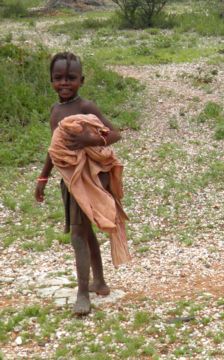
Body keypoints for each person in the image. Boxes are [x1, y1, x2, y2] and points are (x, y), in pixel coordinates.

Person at [34, 52, 130, 315]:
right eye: (58, 78)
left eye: (71, 78)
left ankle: (82, 293)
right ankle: (98, 281)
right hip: (69, 179)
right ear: (51, 80)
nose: (64, 83)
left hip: (89, 178)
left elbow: (115, 134)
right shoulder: (56, 111)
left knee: (78, 234)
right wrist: (43, 177)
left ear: (82, 80)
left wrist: (90, 141)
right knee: (84, 231)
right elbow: (56, 148)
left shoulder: (86, 107)